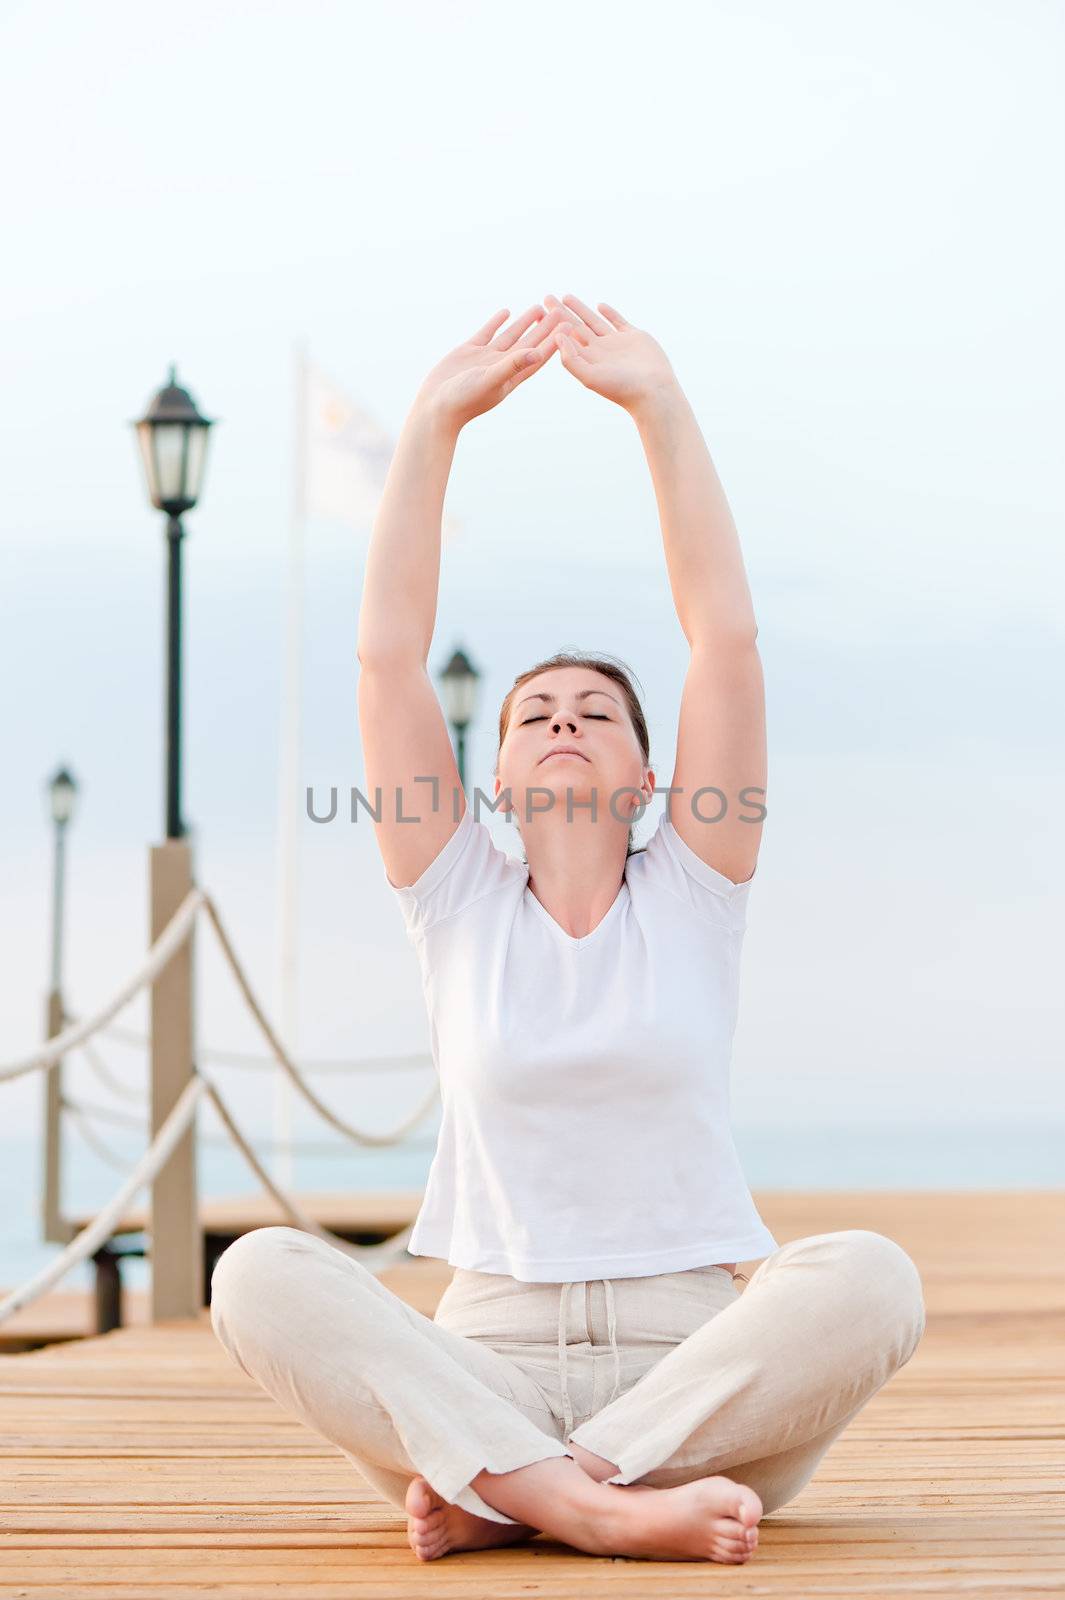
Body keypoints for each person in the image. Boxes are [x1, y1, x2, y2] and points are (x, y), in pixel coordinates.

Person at [209, 295, 926, 1565]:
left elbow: (727, 637)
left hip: (695, 1385)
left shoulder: (697, 890)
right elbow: (387, 664)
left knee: (872, 1275)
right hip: (479, 1368)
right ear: (490, 784)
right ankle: (593, 1510)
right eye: (535, 711)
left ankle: (531, 1497)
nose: (562, 720)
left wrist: (659, 405)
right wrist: (435, 420)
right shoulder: (457, 897)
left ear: (655, 779)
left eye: (598, 710)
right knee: (258, 1271)